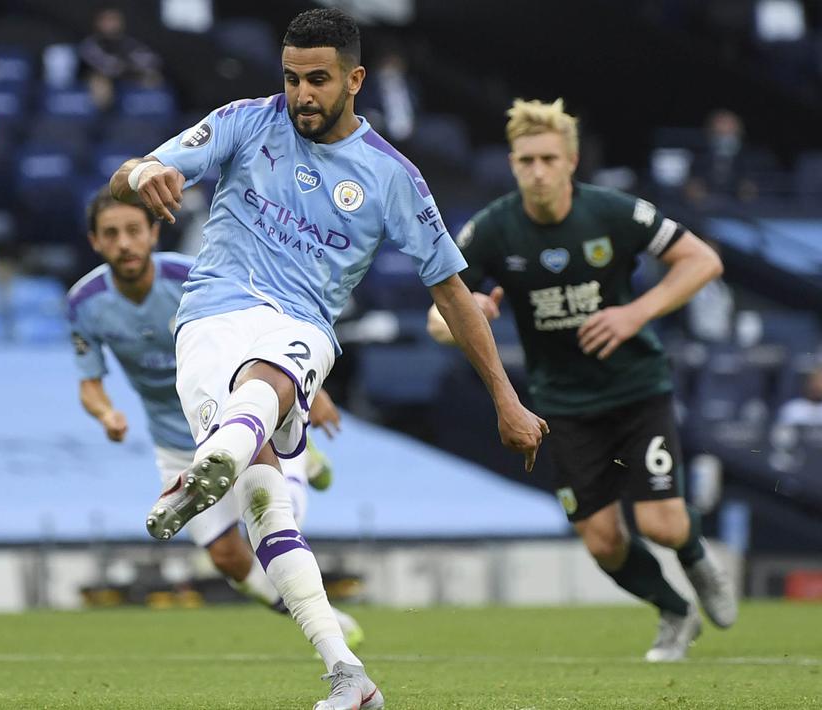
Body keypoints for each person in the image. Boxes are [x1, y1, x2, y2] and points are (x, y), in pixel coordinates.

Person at [109, 9, 545, 708]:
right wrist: (144, 174)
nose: (301, 93)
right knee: (262, 503)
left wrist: (504, 395)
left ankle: (218, 452)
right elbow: (133, 172)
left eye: (317, 80)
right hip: (209, 316)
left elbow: (455, 295)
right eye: (291, 78)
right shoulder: (247, 121)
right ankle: (349, 675)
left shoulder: (390, 177)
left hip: (300, 327)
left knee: (272, 381)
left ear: (355, 79)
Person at [426, 98, 739, 662]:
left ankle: (697, 560)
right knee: (603, 541)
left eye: (548, 158)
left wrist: (635, 312)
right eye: (526, 160)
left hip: (636, 389)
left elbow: (703, 261)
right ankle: (674, 610)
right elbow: (436, 318)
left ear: (571, 161)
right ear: (513, 164)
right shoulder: (492, 229)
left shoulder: (614, 212)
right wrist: (469, 314)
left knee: (662, 523)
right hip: (562, 405)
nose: (537, 171)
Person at [68, 186, 361, 644]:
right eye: (111, 234)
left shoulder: (193, 277)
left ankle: (295, 444)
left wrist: (311, 385)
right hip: (174, 440)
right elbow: (90, 382)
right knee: (226, 558)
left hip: (234, 415)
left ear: (153, 233)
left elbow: (267, 324)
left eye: (133, 230)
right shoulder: (85, 303)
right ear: (95, 242)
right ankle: (310, 613)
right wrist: (107, 414)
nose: (124, 243)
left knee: (272, 525)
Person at [79, 7, 164, 110]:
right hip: (98, 77)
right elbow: (107, 66)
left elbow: (151, 61)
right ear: (98, 23)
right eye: (107, 21)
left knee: (153, 78)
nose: (111, 25)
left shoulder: (128, 42)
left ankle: (148, 116)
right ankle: (103, 119)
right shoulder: (91, 44)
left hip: (126, 75)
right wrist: (130, 67)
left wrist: (133, 69)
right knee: (100, 83)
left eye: (114, 20)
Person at [777, 363, 822, 430]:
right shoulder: (793, 408)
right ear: (808, 384)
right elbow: (783, 435)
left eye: (820, 383)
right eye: (814, 382)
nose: (817, 386)